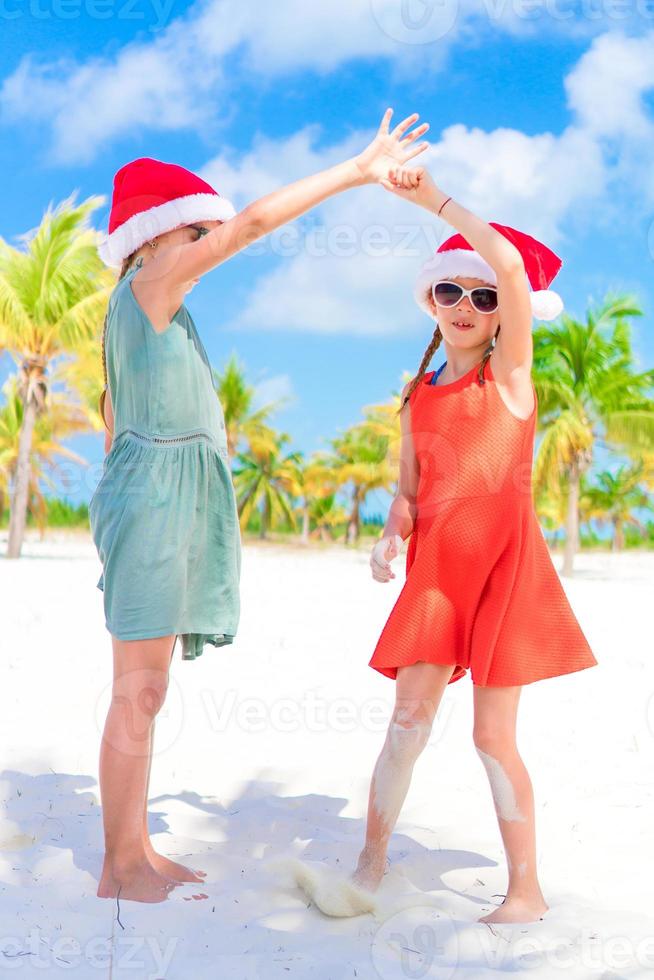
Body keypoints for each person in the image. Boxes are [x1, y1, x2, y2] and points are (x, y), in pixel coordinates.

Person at [89, 108, 430, 904]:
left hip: (162, 503)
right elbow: (253, 223)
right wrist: (354, 170)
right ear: (156, 235)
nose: (208, 241)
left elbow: (113, 423)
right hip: (156, 503)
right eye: (195, 231)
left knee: (149, 688)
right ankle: (118, 865)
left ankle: (134, 847)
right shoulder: (151, 283)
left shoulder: (156, 308)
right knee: (136, 689)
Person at [294, 164, 598, 924]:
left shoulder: (512, 380)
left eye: (485, 297)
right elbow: (409, 488)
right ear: (431, 300)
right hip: (435, 578)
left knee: (493, 738)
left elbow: (504, 264)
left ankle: (524, 890)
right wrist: (391, 533)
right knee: (407, 725)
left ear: (507, 313)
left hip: (504, 575)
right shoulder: (416, 398)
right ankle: (371, 859)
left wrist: (432, 201)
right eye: (450, 291)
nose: (467, 305)